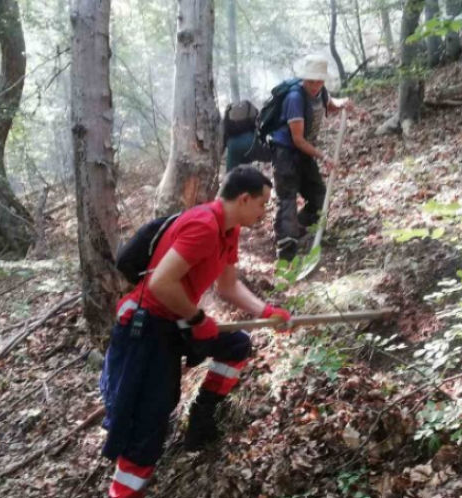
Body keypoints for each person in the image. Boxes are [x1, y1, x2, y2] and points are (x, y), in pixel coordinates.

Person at [100, 166, 292, 498]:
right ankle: (123, 493)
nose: (264, 212)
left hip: (178, 320)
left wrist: (266, 311)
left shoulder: (228, 231)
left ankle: (201, 418)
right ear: (244, 199)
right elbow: (161, 284)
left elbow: (228, 286)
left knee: (236, 346)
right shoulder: (203, 225)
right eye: (262, 204)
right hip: (146, 327)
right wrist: (198, 318)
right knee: (149, 419)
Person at [268, 54, 353, 261]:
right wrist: (324, 156)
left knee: (318, 196)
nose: (315, 85)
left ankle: (297, 228)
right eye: (311, 80)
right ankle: (286, 254)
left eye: (319, 80)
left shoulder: (320, 91)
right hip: (286, 153)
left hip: (305, 153)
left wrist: (342, 103)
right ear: (304, 78)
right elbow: (297, 139)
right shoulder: (295, 98)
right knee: (287, 199)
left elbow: (329, 104)